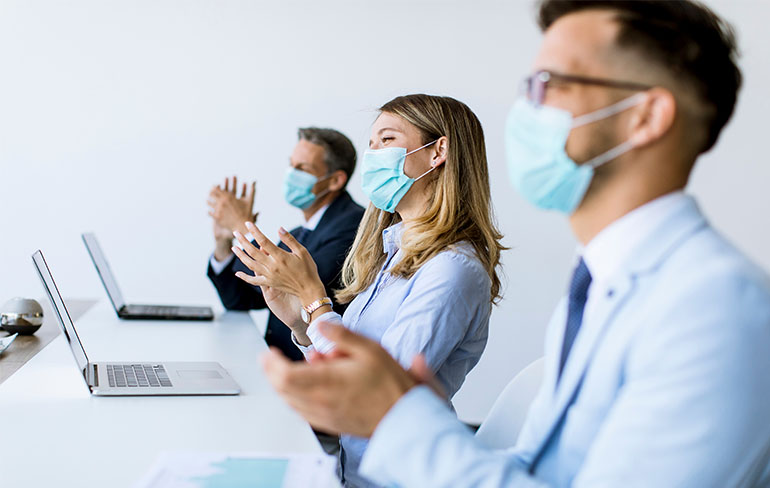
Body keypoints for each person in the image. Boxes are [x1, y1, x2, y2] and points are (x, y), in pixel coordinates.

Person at [259, 1, 770, 487]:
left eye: (552, 84)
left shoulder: (713, 307)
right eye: (530, 86)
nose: (527, 109)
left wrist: (393, 408)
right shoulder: (603, 281)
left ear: (645, 117)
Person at [230, 94, 505, 487]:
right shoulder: (392, 253)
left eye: (387, 140)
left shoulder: (452, 269)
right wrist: (302, 321)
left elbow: (375, 390)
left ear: (437, 151)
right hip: (353, 465)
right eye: (371, 144)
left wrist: (315, 300)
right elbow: (345, 369)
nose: (374, 154)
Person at [207, 127, 364, 361]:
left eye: (302, 168)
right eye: (291, 165)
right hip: (281, 367)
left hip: (314, 372)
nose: (291, 174)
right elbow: (241, 300)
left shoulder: (354, 226)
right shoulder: (298, 233)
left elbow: (292, 285)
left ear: (335, 180)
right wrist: (225, 242)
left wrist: (241, 227)